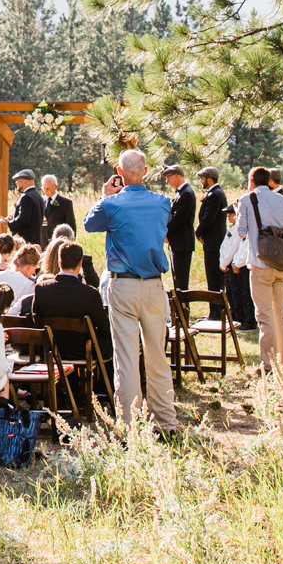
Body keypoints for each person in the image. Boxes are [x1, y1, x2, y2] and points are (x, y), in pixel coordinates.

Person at [84, 149, 177, 434]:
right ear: (146, 171)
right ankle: (166, 422)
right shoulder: (162, 202)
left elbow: (89, 225)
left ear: (119, 172)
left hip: (123, 284)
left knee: (125, 358)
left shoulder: (112, 205)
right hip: (153, 285)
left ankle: (129, 425)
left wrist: (104, 195)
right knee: (157, 357)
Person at [236, 167, 283, 373]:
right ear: (269, 181)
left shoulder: (247, 200)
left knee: (264, 315)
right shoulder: (282, 200)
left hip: (260, 263)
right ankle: (282, 360)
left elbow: (241, 232)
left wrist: (239, 212)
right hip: (281, 263)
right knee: (280, 311)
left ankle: (268, 363)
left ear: (251, 181)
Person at [31, 242, 114, 369]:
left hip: (53, 349)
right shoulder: (89, 294)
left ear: (59, 262)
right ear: (80, 263)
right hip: (84, 351)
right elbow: (105, 328)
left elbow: (36, 319)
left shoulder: (41, 289)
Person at [196, 167, 231, 320]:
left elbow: (208, 219)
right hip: (214, 241)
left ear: (209, 179)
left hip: (213, 242)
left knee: (214, 278)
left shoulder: (215, 195)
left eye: (202, 178)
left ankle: (216, 312)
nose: (201, 181)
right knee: (214, 278)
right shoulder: (216, 193)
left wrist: (197, 232)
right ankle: (216, 311)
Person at [218, 208, 258, 330]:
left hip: (241, 265)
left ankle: (248, 320)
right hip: (234, 262)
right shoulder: (232, 229)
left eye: (231, 214)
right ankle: (237, 316)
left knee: (244, 293)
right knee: (233, 293)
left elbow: (240, 248)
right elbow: (225, 247)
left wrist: (234, 263)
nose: (229, 217)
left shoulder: (244, 230)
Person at [164, 165, 198, 294]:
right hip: (177, 241)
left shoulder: (186, 194)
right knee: (177, 278)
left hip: (182, 243)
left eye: (169, 177)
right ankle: (180, 308)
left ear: (177, 176)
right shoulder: (181, 193)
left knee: (181, 280)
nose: (167, 181)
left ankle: (183, 308)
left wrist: (166, 232)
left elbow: (179, 218)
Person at [40, 224, 101, 289]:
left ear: (52, 239)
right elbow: (95, 286)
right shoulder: (84, 261)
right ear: (73, 240)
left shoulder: (39, 261)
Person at [0, 243, 40, 316]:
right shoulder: (29, 285)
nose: (34, 272)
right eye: (35, 269)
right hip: (14, 324)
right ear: (30, 267)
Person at [7, 168, 44, 246]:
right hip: (36, 240)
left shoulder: (26, 197)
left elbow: (23, 219)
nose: (16, 182)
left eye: (18, 180)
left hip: (26, 241)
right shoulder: (38, 195)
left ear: (25, 181)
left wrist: (9, 223)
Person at [38, 174, 77, 246]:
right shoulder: (41, 201)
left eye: (48, 189)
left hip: (59, 243)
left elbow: (71, 226)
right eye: (44, 188)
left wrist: (69, 244)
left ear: (55, 187)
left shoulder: (65, 203)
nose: (45, 191)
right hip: (43, 243)